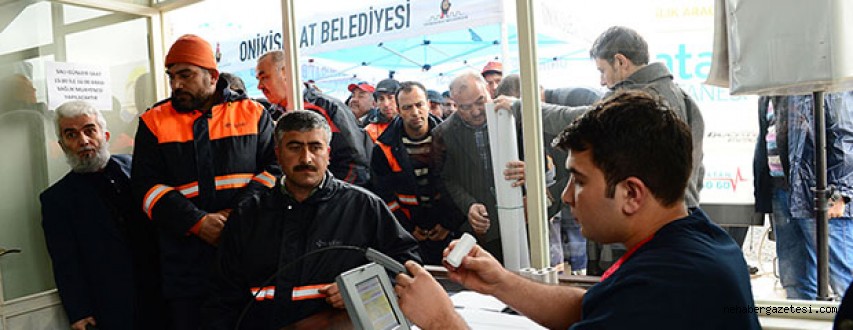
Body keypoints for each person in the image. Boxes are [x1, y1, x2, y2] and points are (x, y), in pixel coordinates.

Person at [395, 90, 760, 329]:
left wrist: (442, 321)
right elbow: (592, 305)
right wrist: (500, 282)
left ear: (632, 193)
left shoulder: (668, 287)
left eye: (580, 180)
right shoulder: (690, 238)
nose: (567, 196)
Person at [204, 110, 421, 329]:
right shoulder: (249, 214)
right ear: (278, 154)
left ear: (328, 154)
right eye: (294, 147)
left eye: (315, 147)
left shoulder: (363, 207)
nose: (306, 158)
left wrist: (362, 290)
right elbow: (223, 294)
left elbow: (406, 265)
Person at [131, 34, 281, 329]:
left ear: (212, 76)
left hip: (248, 259)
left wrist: (234, 216)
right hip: (186, 268)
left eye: (185, 75)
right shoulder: (153, 121)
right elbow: (145, 187)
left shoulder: (254, 114)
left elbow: (274, 171)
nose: (176, 84)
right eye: (171, 76)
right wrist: (197, 222)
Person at [41, 101, 166, 330]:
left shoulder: (137, 169)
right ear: (62, 145)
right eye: (71, 135)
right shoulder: (56, 200)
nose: (83, 141)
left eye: (90, 130)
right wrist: (79, 312)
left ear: (105, 134)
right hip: (114, 307)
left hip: (163, 293)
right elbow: (65, 262)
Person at [754, 92, 853, 300]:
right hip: (782, 190)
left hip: (821, 193)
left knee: (842, 277)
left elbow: (844, 134)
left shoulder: (818, 75)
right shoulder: (769, 87)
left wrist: (840, 192)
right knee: (795, 279)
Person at [433, 71, 525, 263]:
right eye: (465, 107)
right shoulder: (444, 133)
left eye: (479, 101)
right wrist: (469, 206)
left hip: (523, 219)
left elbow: (541, 158)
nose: (475, 111)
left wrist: (530, 171)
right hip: (484, 231)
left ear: (489, 91)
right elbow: (446, 179)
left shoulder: (514, 114)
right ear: (454, 104)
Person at [371, 81, 464, 265]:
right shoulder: (383, 147)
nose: (415, 112)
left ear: (429, 104)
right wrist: (407, 228)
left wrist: (448, 223)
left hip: (449, 230)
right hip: (408, 234)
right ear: (398, 109)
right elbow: (383, 196)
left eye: (419, 105)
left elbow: (462, 182)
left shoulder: (450, 138)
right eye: (407, 107)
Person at [256, 50, 371, 186]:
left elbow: (354, 161)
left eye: (264, 77)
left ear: (286, 72)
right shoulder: (270, 116)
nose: (259, 86)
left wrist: (336, 199)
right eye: (258, 80)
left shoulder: (328, 108)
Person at [365, 78, 401, 143]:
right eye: (381, 99)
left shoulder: (411, 123)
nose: (386, 104)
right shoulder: (370, 131)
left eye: (390, 98)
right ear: (376, 103)